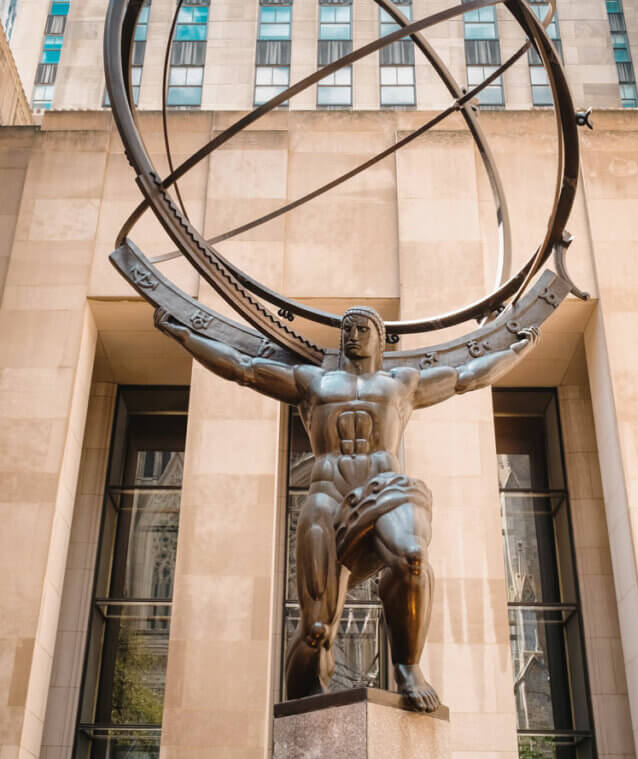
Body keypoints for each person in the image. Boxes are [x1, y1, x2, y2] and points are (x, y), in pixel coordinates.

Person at [156, 305, 539, 712]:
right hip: (327, 498)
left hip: (383, 491)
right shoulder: (313, 381)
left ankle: (407, 666)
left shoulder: (401, 384)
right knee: (317, 630)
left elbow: (465, 377)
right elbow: (243, 368)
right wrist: (183, 335)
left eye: (361, 328)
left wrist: (518, 353)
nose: (352, 335)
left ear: (380, 337)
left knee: (413, 555)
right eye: (347, 330)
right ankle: (309, 704)